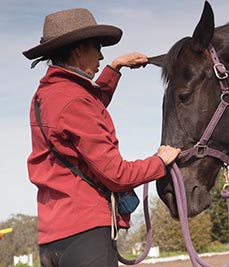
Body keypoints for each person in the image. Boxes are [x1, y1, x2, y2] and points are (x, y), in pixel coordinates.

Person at [23, 8, 180, 267]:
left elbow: (87, 109)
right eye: (97, 47)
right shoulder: (74, 102)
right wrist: (160, 161)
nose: (102, 54)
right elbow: (117, 175)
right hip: (86, 235)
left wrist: (114, 68)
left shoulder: (50, 94)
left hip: (54, 240)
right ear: (77, 50)